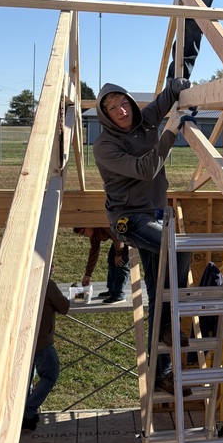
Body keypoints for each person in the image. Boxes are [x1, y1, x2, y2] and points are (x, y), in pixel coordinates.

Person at [92, 77, 194, 396]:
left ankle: (160, 372)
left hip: (156, 212)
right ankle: (166, 326)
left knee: (157, 288)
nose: (120, 111)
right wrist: (173, 128)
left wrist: (179, 85)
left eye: (123, 103)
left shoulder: (143, 120)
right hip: (129, 217)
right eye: (111, 108)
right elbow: (147, 168)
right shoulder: (105, 146)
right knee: (176, 249)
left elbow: (165, 99)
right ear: (104, 116)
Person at [22, 277, 70, 430]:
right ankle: (27, 412)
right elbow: (64, 307)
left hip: (22, 340)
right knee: (50, 374)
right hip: (40, 342)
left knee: (26, 379)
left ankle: (25, 411)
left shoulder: (23, 279)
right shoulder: (46, 283)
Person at [73, 226, 130, 303]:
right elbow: (93, 253)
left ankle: (119, 294)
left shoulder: (103, 226)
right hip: (118, 240)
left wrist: (119, 254)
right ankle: (112, 290)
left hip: (127, 237)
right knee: (111, 260)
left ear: (88, 226)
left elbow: (117, 237)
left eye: (83, 232)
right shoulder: (94, 234)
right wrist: (88, 275)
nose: (84, 235)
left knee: (121, 263)